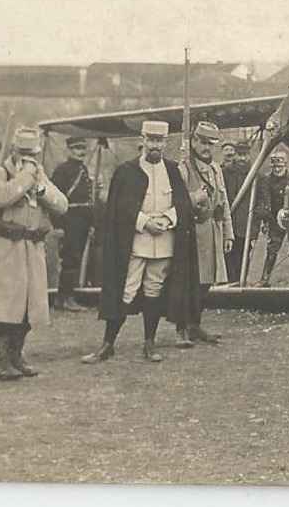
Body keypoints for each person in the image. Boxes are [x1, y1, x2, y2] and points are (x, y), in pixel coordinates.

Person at [84, 121, 198, 364]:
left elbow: (183, 204)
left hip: (164, 240)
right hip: (137, 240)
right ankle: (108, 343)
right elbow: (120, 206)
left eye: (160, 141)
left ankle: (149, 342)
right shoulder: (127, 170)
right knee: (126, 289)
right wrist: (144, 222)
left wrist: (168, 220)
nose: (155, 145)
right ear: (143, 140)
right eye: (151, 140)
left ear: (166, 143)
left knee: (153, 289)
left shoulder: (173, 170)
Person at [0, 128, 68, 381]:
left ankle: (16, 357)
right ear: (13, 151)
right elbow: (1, 198)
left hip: (31, 248)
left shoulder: (38, 174)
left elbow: (62, 205)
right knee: (3, 308)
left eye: (33, 154)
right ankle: (1, 362)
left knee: (28, 307)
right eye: (25, 153)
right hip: (5, 248)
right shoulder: (0, 173)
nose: (30, 159)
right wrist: (25, 179)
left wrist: (41, 189)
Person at [175, 121, 230, 346]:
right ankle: (181, 329)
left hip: (211, 231)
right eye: (203, 142)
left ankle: (195, 325)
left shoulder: (216, 169)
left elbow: (224, 202)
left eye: (211, 143)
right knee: (187, 282)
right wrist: (193, 196)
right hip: (191, 232)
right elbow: (176, 201)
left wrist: (228, 234)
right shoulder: (184, 168)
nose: (207, 147)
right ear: (194, 141)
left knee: (205, 283)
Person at [49, 136, 98, 311]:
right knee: (69, 258)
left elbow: (88, 200)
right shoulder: (62, 170)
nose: (81, 152)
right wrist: (58, 225)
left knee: (75, 258)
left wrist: (91, 224)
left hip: (83, 219)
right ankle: (64, 299)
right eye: (77, 148)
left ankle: (66, 298)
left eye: (83, 148)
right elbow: (53, 200)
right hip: (69, 219)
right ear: (69, 150)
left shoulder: (83, 169)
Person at [254, 149, 289, 286]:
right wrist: (268, 219)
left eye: (280, 166)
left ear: (285, 166)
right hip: (275, 217)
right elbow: (265, 199)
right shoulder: (266, 180)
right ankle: (265, 279)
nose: (277, 169)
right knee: (272, 248)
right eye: (274, 166)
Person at [221, 140, 253, 282]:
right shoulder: (225, 173)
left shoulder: (255, 174)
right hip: (229, 225)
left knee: (243, 257)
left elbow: (261, 201)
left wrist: (255, 225)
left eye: (245, 155)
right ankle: (228, 286)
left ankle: (241, 286)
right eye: (239, 155)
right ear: (235, 155)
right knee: (228, 257)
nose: (242, 158)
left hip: (245, 225)